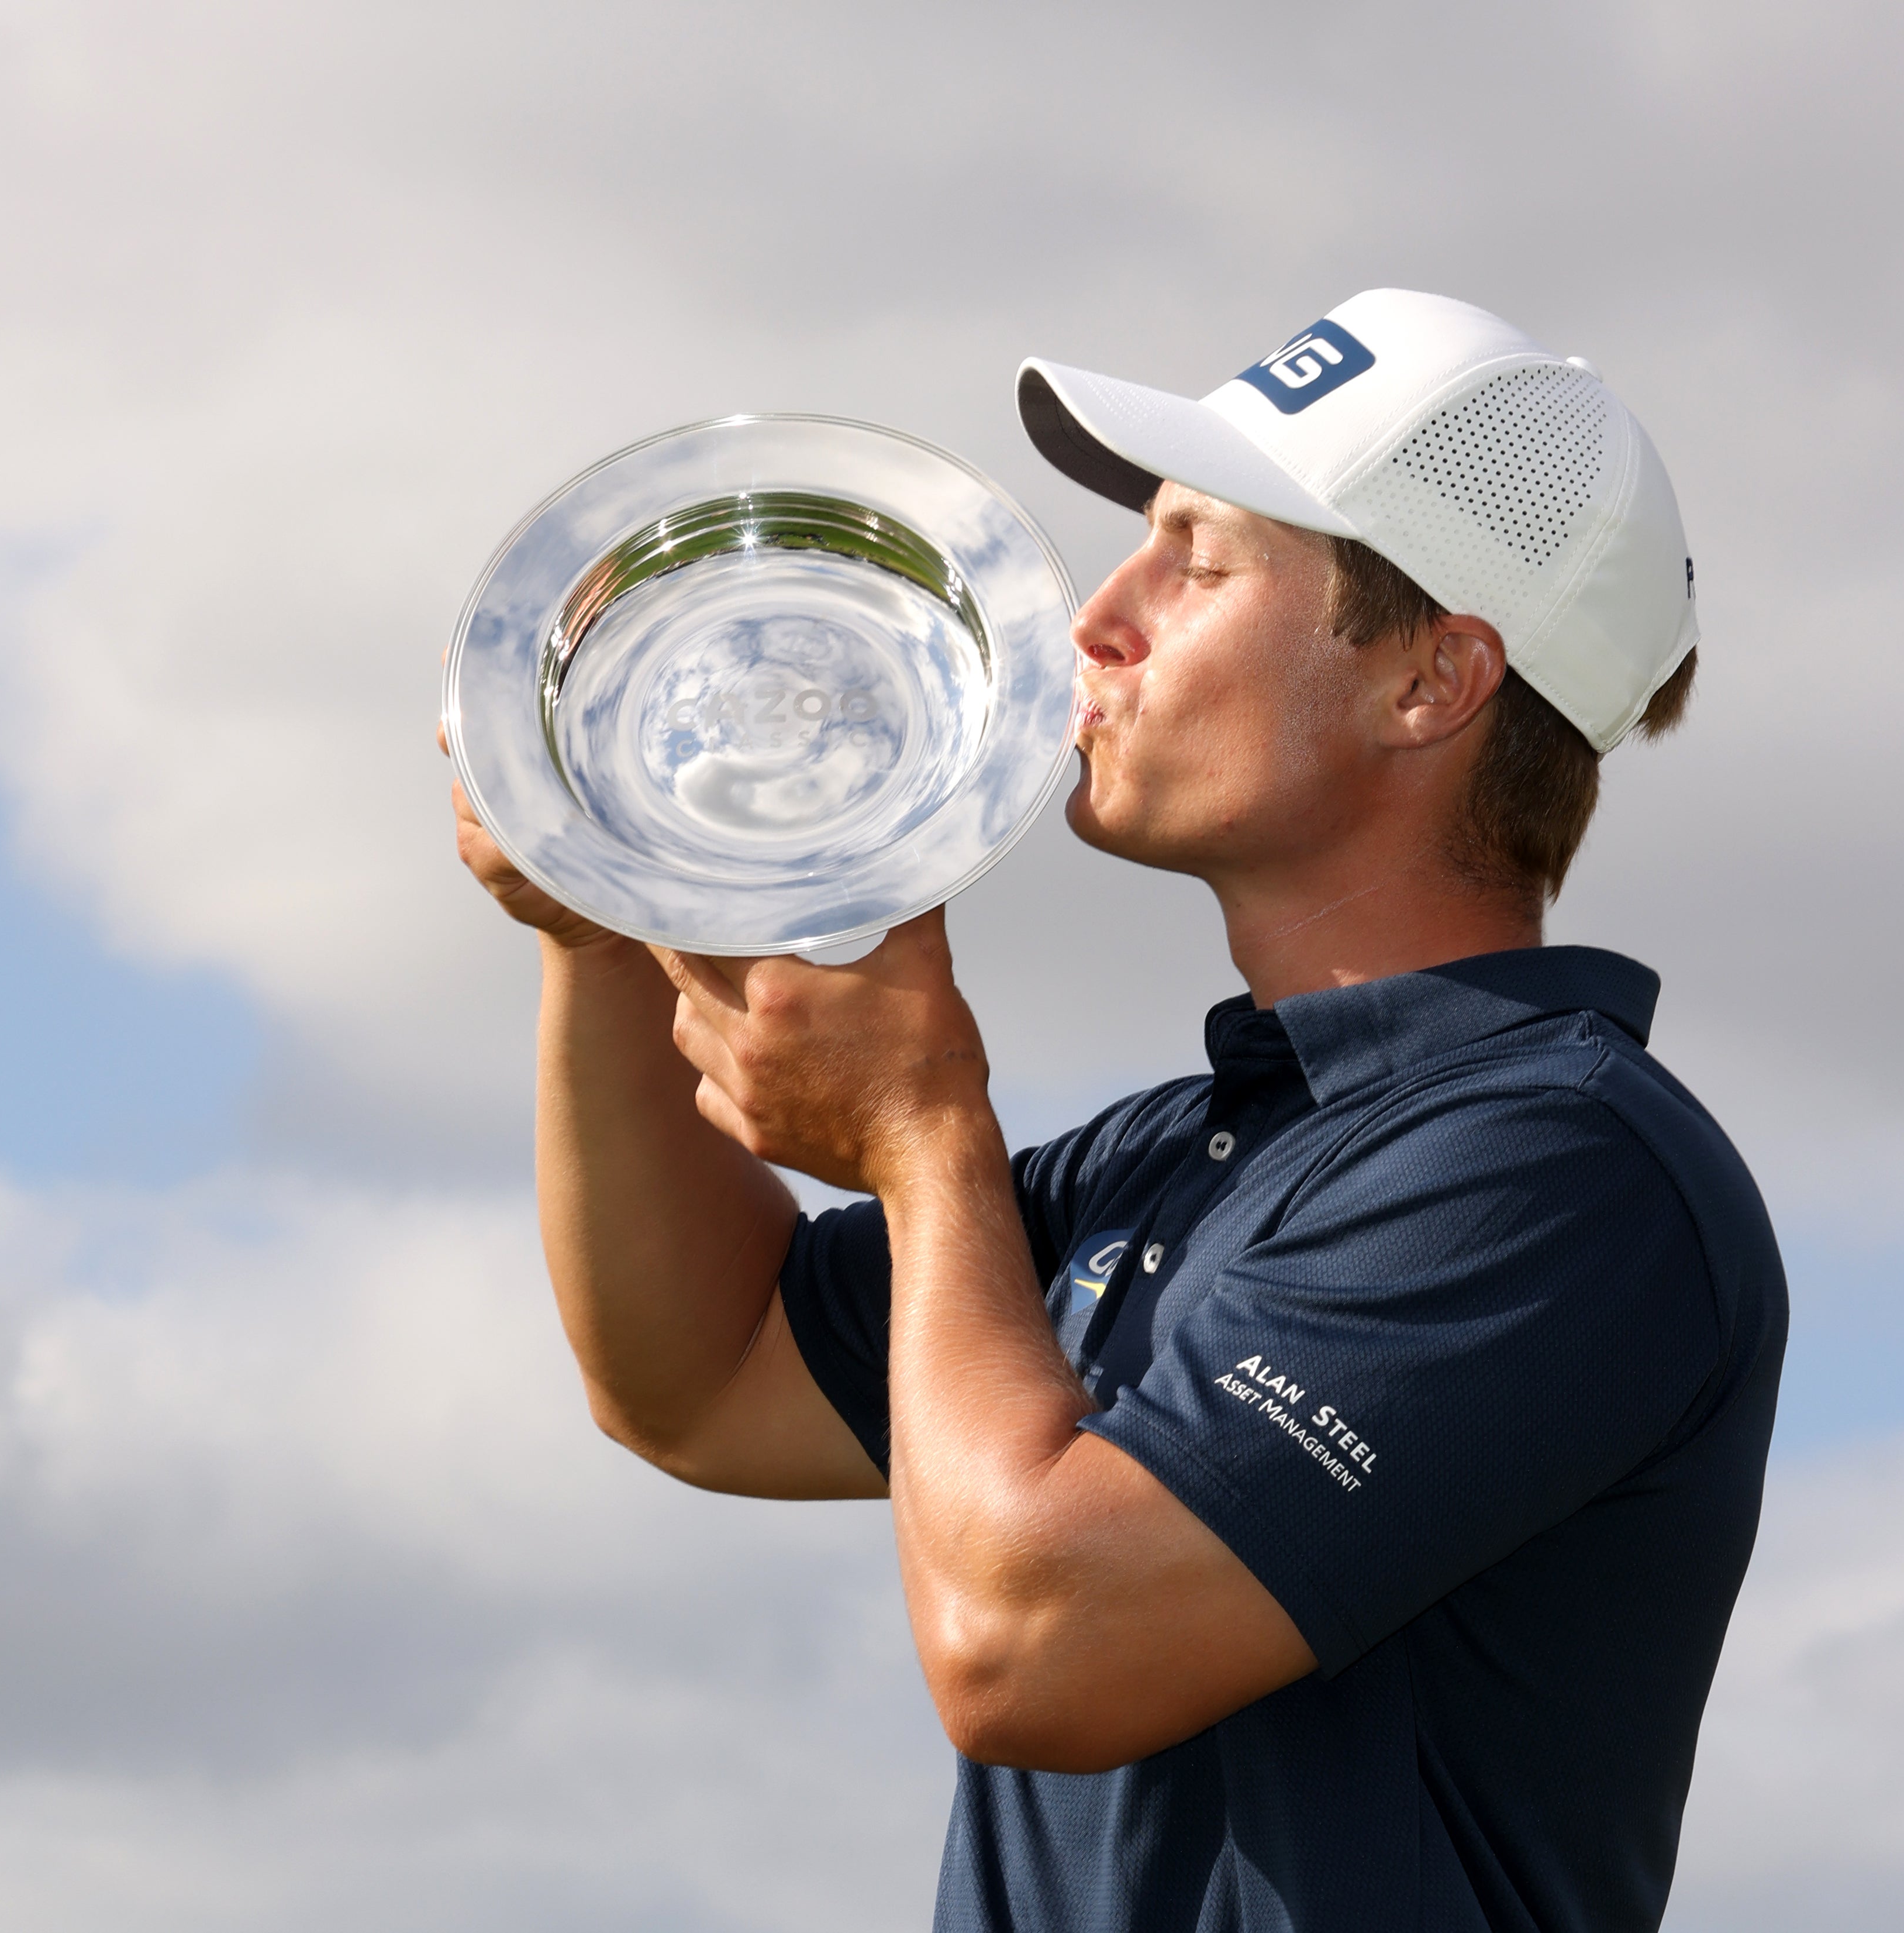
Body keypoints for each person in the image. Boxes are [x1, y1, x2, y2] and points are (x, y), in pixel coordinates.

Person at [451, 290, 1786, 1933]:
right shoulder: (1186, 1150)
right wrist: (602, 897)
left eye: (1198, 560)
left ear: (1430, 682)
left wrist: (926, 1128)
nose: (1097, 615)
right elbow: (699, 1375)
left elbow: (1036, 1645)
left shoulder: (1568, 1169)